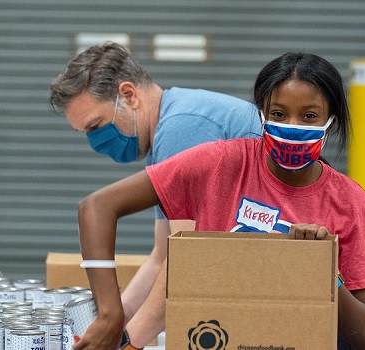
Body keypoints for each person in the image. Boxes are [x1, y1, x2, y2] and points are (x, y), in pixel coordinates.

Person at [74, 52, 365, 350]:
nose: (292, 127)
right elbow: (98, 207)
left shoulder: (351, 203)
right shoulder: (222, 164)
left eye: (309, 116)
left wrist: (323, 270)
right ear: (262, 115)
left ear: (330, 122)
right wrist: (111, 316)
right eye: (279, 114)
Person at [48, 43, 262, 326]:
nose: (94, 142)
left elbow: (187, 261)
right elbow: (162, 256)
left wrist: (128, 340)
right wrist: (113, 319)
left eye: (95, 126)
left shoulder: (181, 130)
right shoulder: (164, 140)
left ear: (128, 95)